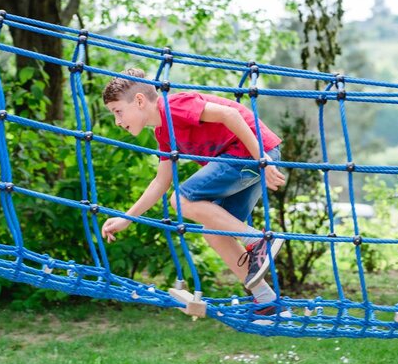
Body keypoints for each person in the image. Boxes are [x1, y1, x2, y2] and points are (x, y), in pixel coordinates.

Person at [100, 68, 286, 313]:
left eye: (118, 111)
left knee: (181, 200)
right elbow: (160, 181)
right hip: (248, 159)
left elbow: (229, 114)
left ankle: (258, 240)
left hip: (250, 153)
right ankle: (266, 301)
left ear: (139, 100)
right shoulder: (163, 133)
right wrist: (127, 218)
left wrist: (261, 158)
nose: (118, 121)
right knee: (214, 231)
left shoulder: (173, 106)